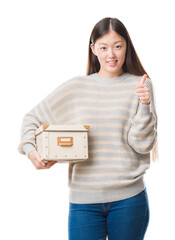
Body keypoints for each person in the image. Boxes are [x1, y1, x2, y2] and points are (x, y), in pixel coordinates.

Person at [18, 17, 158, 240]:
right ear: (93, 49)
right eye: (103, 47)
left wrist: (144, 106)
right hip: (83, 203)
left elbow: (142, 145)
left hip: (129, 201)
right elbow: (32, 118)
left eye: (118, 46)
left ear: (126, 47)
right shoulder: (77, 87)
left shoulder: (140, 85)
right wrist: (30, 149)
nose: (111, 54)